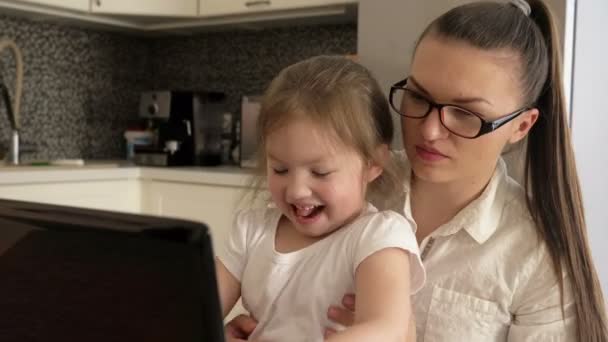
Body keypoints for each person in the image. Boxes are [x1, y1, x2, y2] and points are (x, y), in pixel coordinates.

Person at [226, 1, 608, 341]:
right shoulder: (342, 178)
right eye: (419, 96)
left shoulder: (536, 256)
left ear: (521, 126)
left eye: (465, 113)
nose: (428, 130)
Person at [215, 55, 426, 342]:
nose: (297, 190)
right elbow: (194, 312)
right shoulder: (251, 230)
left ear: (373, 163)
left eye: (320, 172)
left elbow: (386, 329)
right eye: (280, 168)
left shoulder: (380, 237)